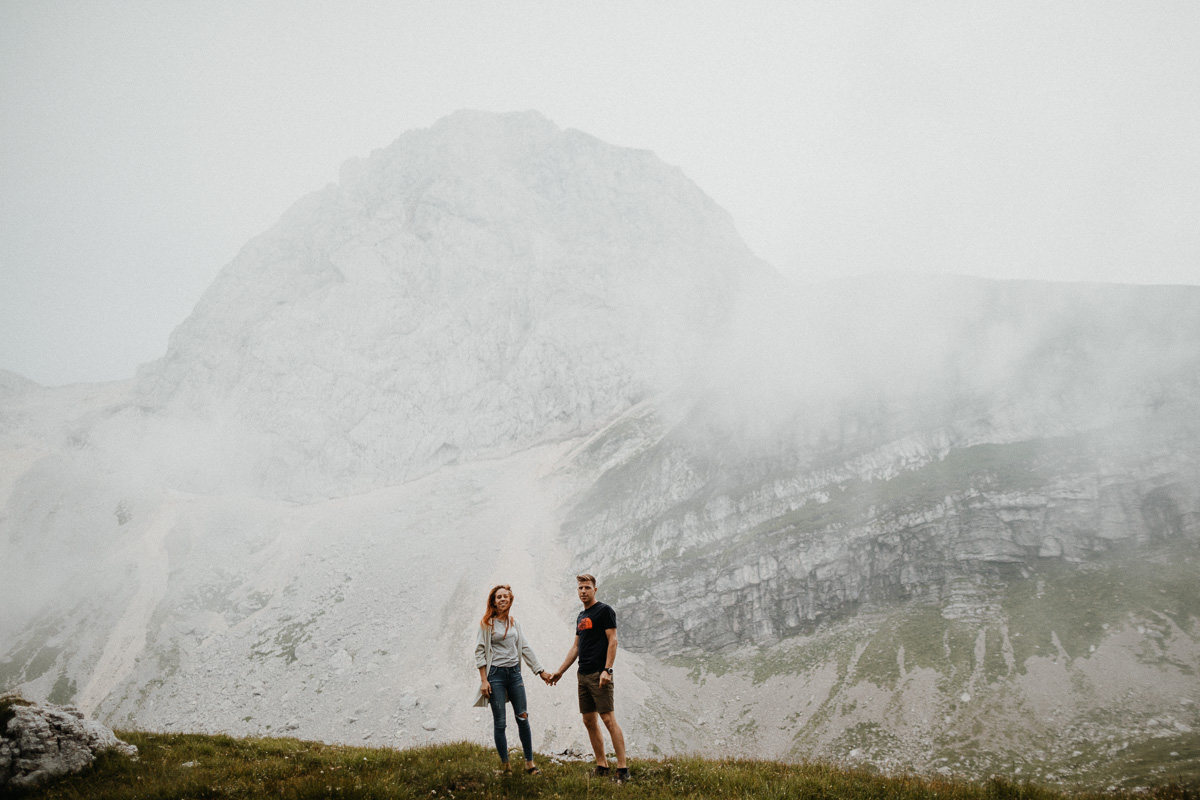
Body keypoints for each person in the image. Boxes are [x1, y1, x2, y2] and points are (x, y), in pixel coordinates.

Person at [547, 573, 629, 784]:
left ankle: (622, 769)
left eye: (587, 587)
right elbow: (576, 647)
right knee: (588, 720)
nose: (583, 591)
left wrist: (607, 670)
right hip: (582, 674)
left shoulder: (604, 610)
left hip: (598, 673)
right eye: (580, 588)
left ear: (595, 589)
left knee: (608, 719)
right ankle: (602, 765)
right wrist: (560, 671)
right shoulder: (581, 617)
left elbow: (613, 640)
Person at [473, 583, 552, 775]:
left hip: (515, 674)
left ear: (510, 600)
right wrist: (484, 681)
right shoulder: (486, 623)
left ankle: (529, 764)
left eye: (505, 597)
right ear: (493, 601)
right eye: (498, 597)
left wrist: (540, 671)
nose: (502, 599)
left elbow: (525, 648)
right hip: (495, 676)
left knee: (523, 718)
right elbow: (480, 652)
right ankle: (506, 767)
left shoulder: (515, 623)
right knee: (500, 723)